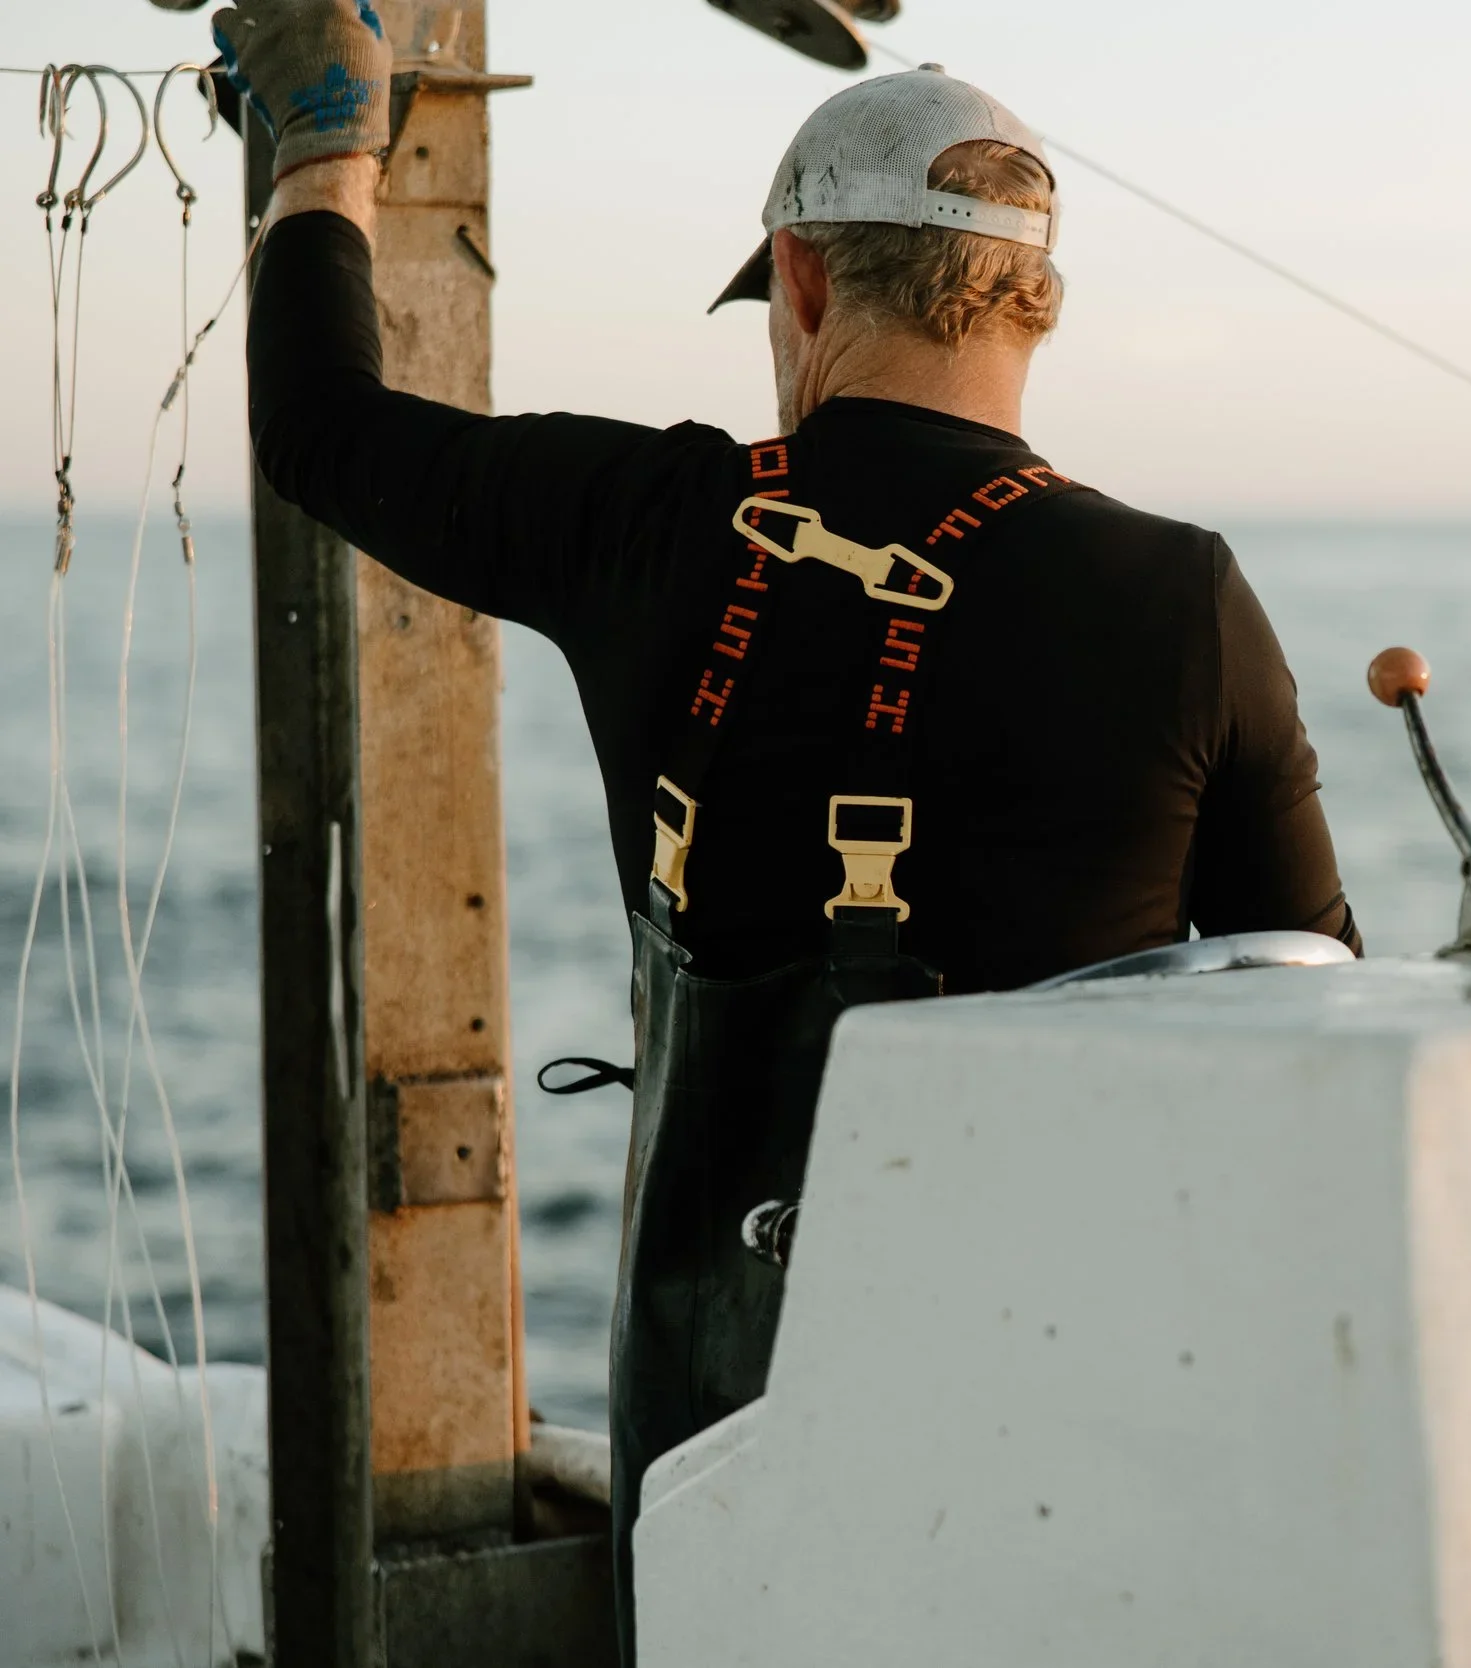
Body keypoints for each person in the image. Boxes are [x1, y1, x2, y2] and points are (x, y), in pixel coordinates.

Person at [214, 0, 1360, 1649]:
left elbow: (318, 430)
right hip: (1056, 1437)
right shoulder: (1184, 596)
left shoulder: (643, 525)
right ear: (1033, 306)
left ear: (804, 282)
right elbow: (1312, 1007)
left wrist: (328, 144)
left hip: (712, 1444)